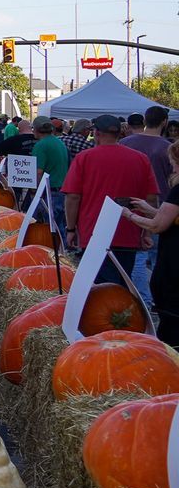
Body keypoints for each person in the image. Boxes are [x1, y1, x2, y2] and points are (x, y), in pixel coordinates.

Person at [63, 114, 160, 285]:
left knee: (100, 291)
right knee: (123, 287)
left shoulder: (84, 158)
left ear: (97, 133)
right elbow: (151, 199)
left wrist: (71, 229)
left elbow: (73, 197)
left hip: (93, 232)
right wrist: (147, 231)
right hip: (128, 231)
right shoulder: (140, 159)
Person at [124, 137, 179, 347]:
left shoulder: (178, 190)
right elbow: (170, 217)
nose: (171, 165)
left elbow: (158, 225)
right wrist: (146, 208)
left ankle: (169, 354)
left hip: (173, 259)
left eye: (172, 161)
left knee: (171, 315)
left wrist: (128, 215)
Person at [124, 107, 175, 200]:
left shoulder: (124, 143)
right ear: (164, 122)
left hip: (129, 199)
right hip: (159, 201)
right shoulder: (169, 148)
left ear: (144, 121)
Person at [32, 120, 71, 237]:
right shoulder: (60, 143)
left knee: (46, 229)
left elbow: (38, 172)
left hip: (48, 192)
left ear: (36, 130)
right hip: (62, 190)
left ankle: (51, 253)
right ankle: (63, 252)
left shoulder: (41, 145)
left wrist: (34, 191)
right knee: (59, 227)